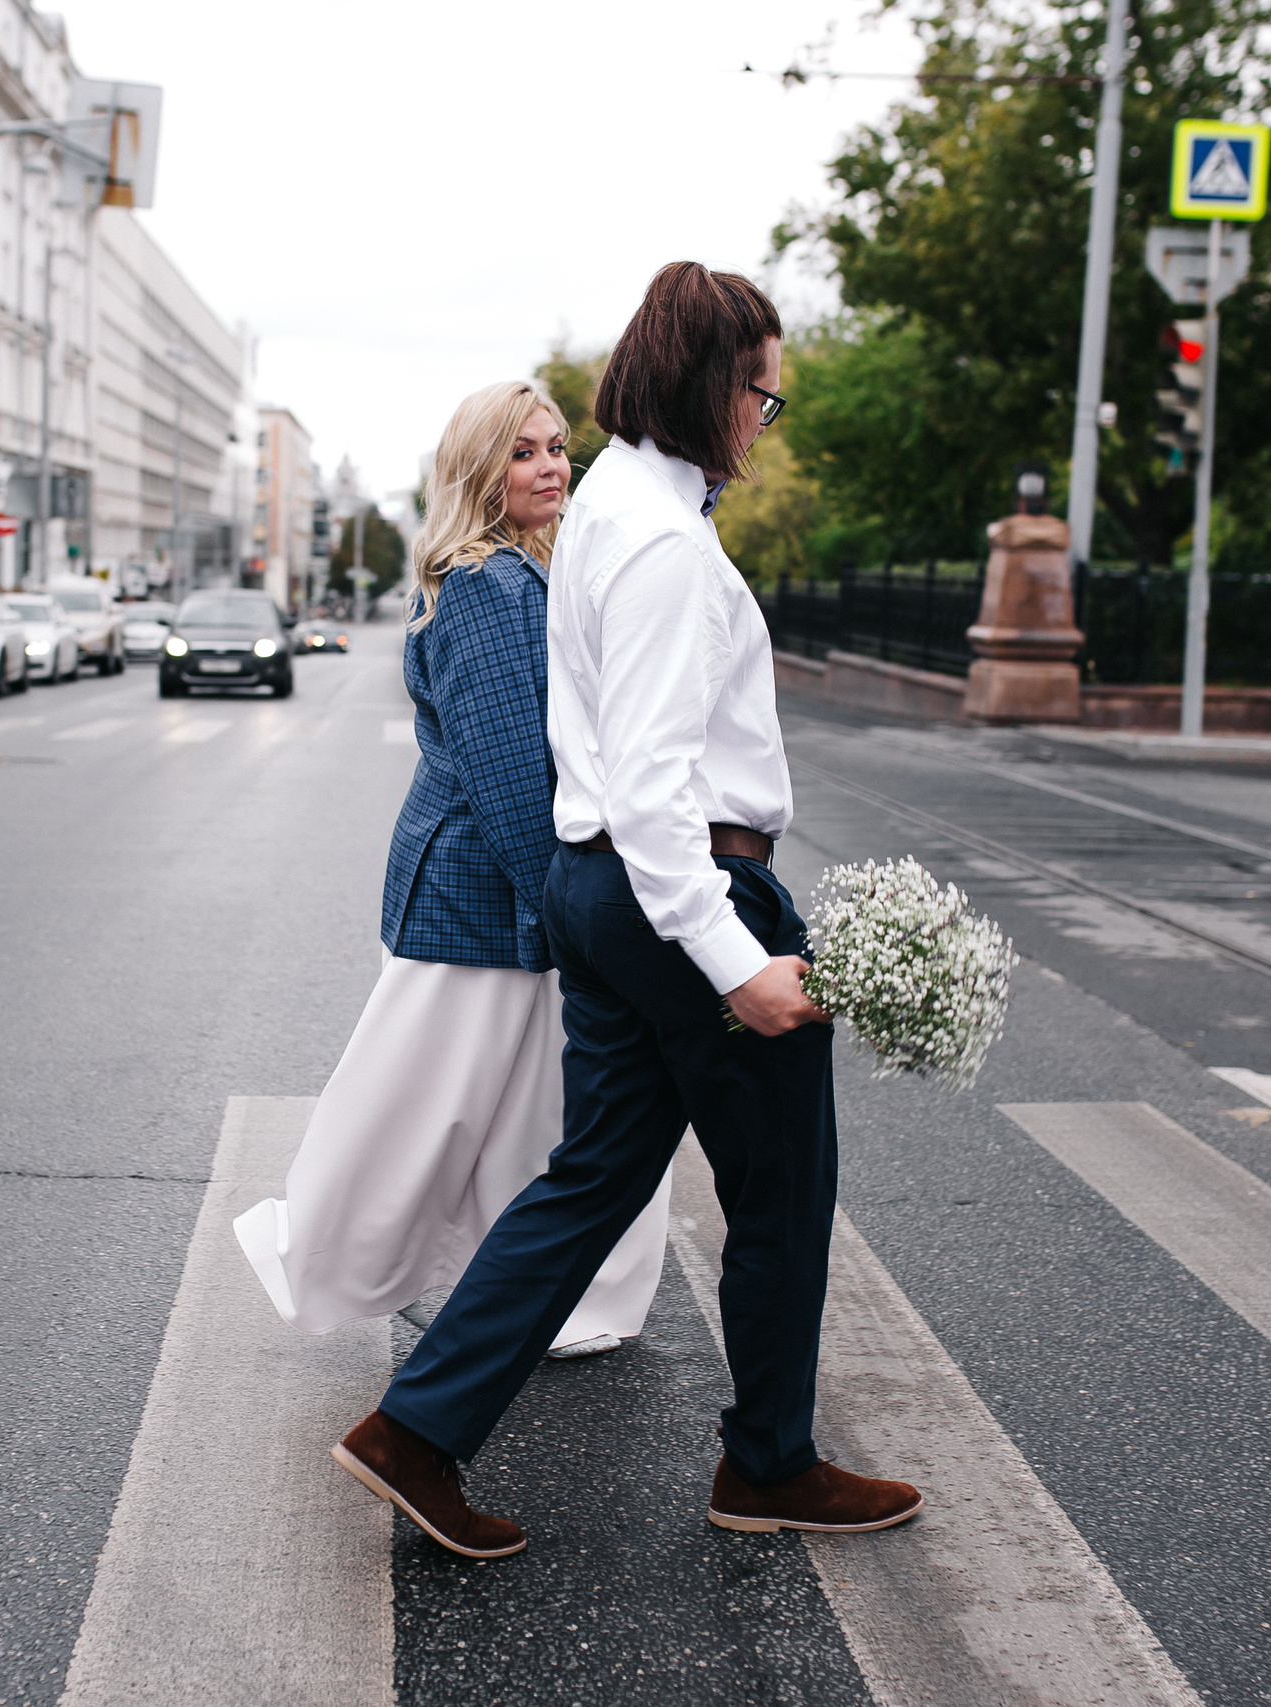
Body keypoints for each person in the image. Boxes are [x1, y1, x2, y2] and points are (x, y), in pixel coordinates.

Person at [333, 264, 922, 1559]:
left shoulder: (614, 502)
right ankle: (768, 1461)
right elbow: (656, 782)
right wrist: (734, 956)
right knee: (780, 1188)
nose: (768, 421)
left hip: (599, 887)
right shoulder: (658, 542)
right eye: (765, 393)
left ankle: (417, 1428)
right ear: (716, 385)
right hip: (677, 889)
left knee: (594, 1173)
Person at [235, 380, 671, 1360]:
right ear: (480, 471)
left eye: (557, 447)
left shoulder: (527, 574)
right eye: (523, 452)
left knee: (519, 1112)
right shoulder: (485, 586)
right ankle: (321, 1258)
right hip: (484, 897)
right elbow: (511, 778)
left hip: (508, 895)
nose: (552, 465)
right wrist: (571, 914)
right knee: (415, 1114)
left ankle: (534, 1295)